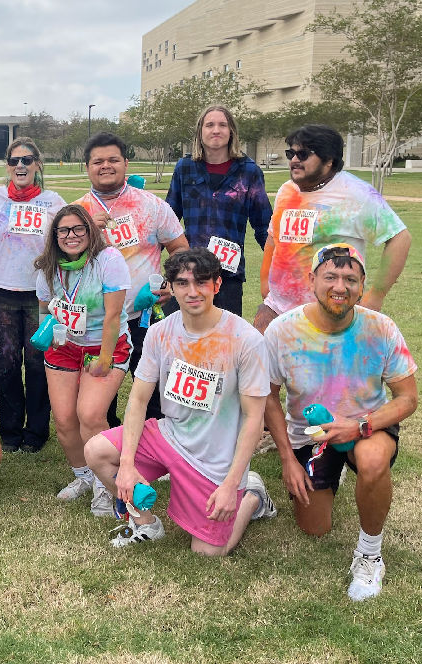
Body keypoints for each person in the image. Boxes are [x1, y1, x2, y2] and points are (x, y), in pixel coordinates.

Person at [84, 248, 276, 552]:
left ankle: (252, 495)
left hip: (216, 460)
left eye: (202, 282)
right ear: (170, 288)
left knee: (208, 553)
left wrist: (230, 484)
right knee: (96, 451)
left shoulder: (245, 339)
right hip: (170, 436)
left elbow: (255, 418)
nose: (192, 291)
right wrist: (127, 463)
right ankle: (145, 524)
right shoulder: (160, 332)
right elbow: (137, 399)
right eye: (183, 283)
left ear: (217, 285)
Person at [262, 243, 418, 601]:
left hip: (367, 425)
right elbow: (269, 396)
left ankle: (369, 554)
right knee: (315, 528)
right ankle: (262, 491)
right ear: (313, 280)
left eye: (350, 278)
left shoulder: (381, 328)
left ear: (362, 286)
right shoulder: (282, 332)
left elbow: (407, 398)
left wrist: (361, 426)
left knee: (373, 461)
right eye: (330, 276)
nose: (340, 286)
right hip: (310, 435)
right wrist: (287, 459)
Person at [74, 132, 187, 425]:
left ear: (126, 162)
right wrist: (87, 233)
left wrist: (170, 284)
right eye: (98, 161)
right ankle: (107, 443)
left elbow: (180, 250)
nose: (106, 166)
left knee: (152, 386)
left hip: (143, 315)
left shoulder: (151, 205)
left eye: (113, 159)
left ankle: (153, 443)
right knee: (99, 393)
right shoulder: (75, 212)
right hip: (97, 322)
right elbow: (63, 266)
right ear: (87, 167)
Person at [254, 124, 411, 333]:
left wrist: (375, 297)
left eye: (303, 154)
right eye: (291, 153)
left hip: (329, 317)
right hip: (276, 310)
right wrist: (266, 284)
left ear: (329, 161)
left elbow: (400, 238)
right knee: (261, 365)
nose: (294, 160)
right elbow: (274, 238)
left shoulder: (356, 194)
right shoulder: (286, 190)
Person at [36, 204, 132, 517]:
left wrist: (104, 359)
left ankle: (107, 486)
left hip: (105, 344)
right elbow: (44, 308)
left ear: (90, 230)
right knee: (64, 419)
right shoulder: (47, 265)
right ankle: (84, 476)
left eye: (79, 228)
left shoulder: (109, 259)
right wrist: (49, 332)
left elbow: (113, 316)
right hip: (65, 345)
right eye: (63, 230)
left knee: (89, 414)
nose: (71, 235)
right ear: (55, 235)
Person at [0, 138, 65, 453]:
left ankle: (36, 433)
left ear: (37, 165)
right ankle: (10, 431)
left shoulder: (53, 200)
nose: (21, 166)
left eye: (28, 160)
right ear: (7, 166)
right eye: (15, 160)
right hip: (2, 292)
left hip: (40, 296)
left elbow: (67, 240)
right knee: (5, 363)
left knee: (37, 362)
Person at [165, 105, 272, 316]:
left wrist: (279, 268)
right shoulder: (184, 168)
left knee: (225, 342)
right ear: (200, 132)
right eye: (210, 125)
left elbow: (264, 227)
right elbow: (168, 221)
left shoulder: (249, 171)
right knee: (181, 339)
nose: (216, 130)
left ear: (231, 131)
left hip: (228, 276)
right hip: (187, 271)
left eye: (223, 125)